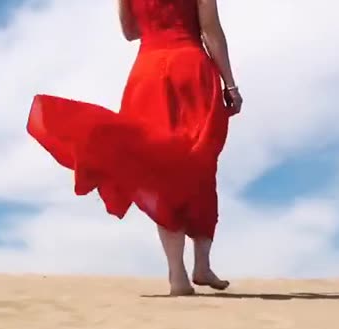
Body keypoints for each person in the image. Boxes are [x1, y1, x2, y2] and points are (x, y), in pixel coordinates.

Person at [27, 0, 243, 296]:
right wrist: (230, 85)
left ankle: (177, 274)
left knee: (158, 166)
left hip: (148, 73)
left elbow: (130, 32)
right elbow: (211, 32)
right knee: (199, 163)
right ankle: (201, 265)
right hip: (190, 68)